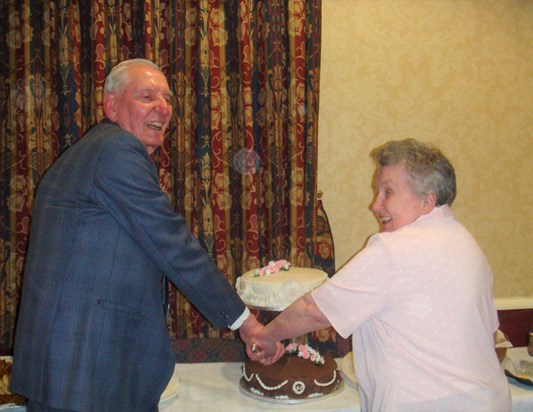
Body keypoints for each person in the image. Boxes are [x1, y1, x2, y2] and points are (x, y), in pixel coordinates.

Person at [11, 59, 284, 412]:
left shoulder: (85, 153)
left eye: (167, 98)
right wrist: (246, 323)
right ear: (111, 106)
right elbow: (173, 244)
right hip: (88, 374)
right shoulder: (115, 151)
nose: (163, 107)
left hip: (72, 370)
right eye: (146, 96)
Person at [253, 138, 511, 412]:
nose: (375, 205)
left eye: (388, 192)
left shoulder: (394, 249)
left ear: (427, 201)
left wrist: (265, 336)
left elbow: (314, 310)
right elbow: (490, 334)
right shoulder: (468, 245)